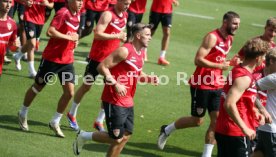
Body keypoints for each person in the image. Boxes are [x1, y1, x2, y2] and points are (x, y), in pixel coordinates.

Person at [157, 11, 240, 157]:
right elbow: (198, 59)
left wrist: (229, 63)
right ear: (225, 22)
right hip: (201, 83)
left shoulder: (229, 40)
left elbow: (219, 59)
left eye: (238, 24)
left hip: (217, 84)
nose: (236, 27)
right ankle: (167, 130)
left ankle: (206, 155)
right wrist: (220, 66)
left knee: (217, 120)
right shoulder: (212, 37)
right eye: (234, 23)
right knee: (197, 121)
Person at [73, 23, 158, 157]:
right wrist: (116, 83)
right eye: (147, 34)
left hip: (128, 100)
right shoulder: (125, 50)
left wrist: (149, 78)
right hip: (114, 99)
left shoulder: (140, 52)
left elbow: (137, 73)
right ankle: (83, 136)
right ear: (138, 35)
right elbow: (102, 67)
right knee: (116, 138)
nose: (150, 38)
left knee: (125, 136)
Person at [17, 0, 82, 138]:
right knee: (37, 87)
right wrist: (68, 37)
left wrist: (75, 40)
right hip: (52, 59)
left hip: (67, 61)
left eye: (82, 0)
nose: (81, 3)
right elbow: (50, 31)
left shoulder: (78, 14)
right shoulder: (62, 13)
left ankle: (55, 121)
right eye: (78, 0)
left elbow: (73, 33)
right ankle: (23, 112)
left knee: (69, 92)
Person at [66, 0, 130, 131]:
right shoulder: (108, 14)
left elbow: (120, 34)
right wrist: (117, 35)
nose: (127, 6)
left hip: (112, 60)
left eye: (129, 4)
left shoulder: (125, 15)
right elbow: (98, 34)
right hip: (97, 58)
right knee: (86, 86)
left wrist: (122, 38)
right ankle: (71, 113)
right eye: (125, 3)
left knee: (111, 90)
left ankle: (99, 121)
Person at [215, 38, 270, 157]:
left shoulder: (239, 70)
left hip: (224, 128)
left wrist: (260, 110)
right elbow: (229, 103)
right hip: (236, 132)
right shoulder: (244, 78)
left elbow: (247, 95)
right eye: (264, 57)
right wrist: (244, 128)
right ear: (258, 58)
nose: (264, 60)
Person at [13, 0, 54, 77]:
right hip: (29, 18)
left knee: (30, 43)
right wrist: (25, 2)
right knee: (32, 44)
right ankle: (31, 71)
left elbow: (52, 4)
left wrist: (47, 4)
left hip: (40, 21)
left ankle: (18, 55)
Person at [252, 48, 276, 157]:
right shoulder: (273, 78)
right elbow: (250, 89)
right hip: (272, 129)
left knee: (258, 154)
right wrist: (262, 109)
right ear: (271, 61)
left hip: (268, 128)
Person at [149, 0, 179, 65]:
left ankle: (162, 57)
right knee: (150, 32)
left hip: (168, 11)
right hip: (156, 9)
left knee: (167, 32)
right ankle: (142, 52)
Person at [0, 0, 19, 77]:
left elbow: (12, 48)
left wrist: (16, 46)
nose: (8, 5)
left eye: (10, 2)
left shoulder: (12, 24)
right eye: (5, 1)